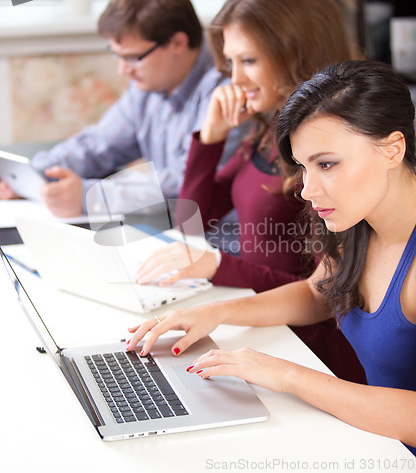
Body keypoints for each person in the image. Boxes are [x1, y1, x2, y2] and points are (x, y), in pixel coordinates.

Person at [127, 60, 416, 454]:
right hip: (374, 445)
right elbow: (318, 294)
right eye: (303, 167)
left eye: (327, 164)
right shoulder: (360, 225)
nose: (307, 190)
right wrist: (217, 312)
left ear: (392, 148)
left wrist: (285, 374)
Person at [134, 0, 365, 382]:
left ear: (295, 53)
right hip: (262, 321)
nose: (234, 79)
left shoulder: (329, 155)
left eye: (249, 60)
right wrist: (211, 137)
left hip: (306, 347)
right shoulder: (269, 129)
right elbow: (194, 223)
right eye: (230, 63)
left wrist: (221, 266)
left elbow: (321, 292)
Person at [0, 0, 245, 217]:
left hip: (217, 237)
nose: (123, 70)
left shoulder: (228, 92)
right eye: (118, 56)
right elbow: (97, 145)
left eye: (132, 57)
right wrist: (32, 176)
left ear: (178, 42)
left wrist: (88, 197)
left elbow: (184, 183)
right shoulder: (147, 87)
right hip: (173, 230)